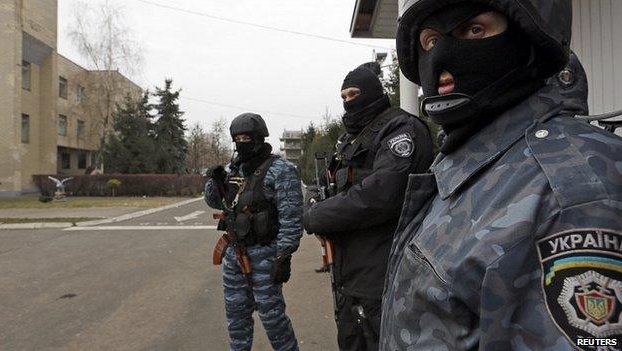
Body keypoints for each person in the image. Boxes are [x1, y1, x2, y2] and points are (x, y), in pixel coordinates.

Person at [381, 1, 622, 350]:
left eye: (473, 30)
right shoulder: (471, 163)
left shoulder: (567, 191)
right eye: (431, 41)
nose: (442, 57)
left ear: (529, 37)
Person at [303, 62, 434, 350]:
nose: (349, 101)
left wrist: (318, 216)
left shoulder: (401, 130)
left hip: (385, 272)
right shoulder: (349, 141)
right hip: (349, 272)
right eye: (344, 97)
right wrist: (313, 201)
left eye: (354, 94)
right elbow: (324, 182)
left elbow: (380, 195)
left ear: (373, 92)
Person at [204, 113, 302, 351]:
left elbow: (292, 216)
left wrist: (284, 256)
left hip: (265, 255)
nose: (241, 142)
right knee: (236, 320)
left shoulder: (280, 170)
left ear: (259, 137)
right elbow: (215, 202)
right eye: (237, 138)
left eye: (246, 137)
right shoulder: (234, 170)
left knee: (273, 320)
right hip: (234, 254)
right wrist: (214, 183)